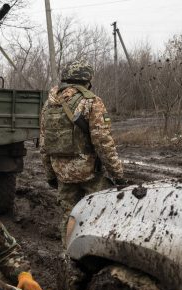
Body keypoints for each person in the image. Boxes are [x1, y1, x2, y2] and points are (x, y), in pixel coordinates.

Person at [39, 59, 125, 245]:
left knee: (69, 218)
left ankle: (69, 259)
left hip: (62, 173)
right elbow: (103, 142)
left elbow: (44, 144)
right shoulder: (91, 102)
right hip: (89, 174)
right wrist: (117, 174)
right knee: (99, 215)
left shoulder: (50, 104)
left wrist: (50, 175)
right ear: (87, 80)